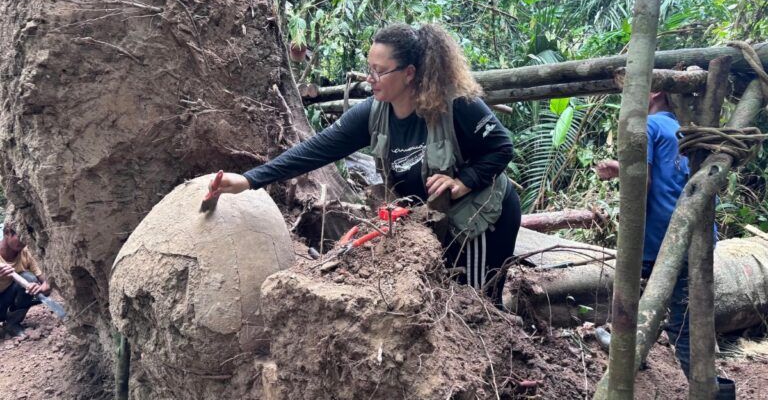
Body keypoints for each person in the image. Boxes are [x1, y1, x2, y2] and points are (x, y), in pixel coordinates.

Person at [207, 23, 521, 301]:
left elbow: (501, 147)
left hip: (483, 218)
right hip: (440, 221)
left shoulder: (456, 104)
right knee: (444, 296)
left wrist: (464, 181)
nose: (371, 78)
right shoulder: (373, 113)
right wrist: (249, 180)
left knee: (476, 304)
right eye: (369, 68)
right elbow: (315, 150)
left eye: (380, 71)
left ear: (409, 73)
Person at [596, 91, 734, 399]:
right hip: (697, 234)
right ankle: (633, 350)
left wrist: (620, 174)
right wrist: (620, 168)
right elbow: (667, 177)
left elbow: (641, 183)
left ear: (656, 91)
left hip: (664, 239)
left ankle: (714, 393)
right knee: (663, 305)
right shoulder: (683, 128)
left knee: (678, 324)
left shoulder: (649, 125)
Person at [0, 222, 51, 337]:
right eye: (20, 237)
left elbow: (45, 283)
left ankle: (13, 323)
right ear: (7, 233)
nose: (24, 241)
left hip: (5, 303)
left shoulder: (25, 252)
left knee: (29, 278)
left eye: (26, 238)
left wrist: (43, 288)